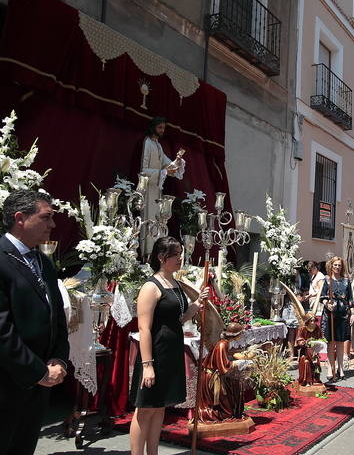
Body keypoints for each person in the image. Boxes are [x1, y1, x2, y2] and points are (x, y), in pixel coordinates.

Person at [0, 190, 69, 455]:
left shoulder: (43, 263)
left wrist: (58, 359)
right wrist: (38, 372)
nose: (52, 224)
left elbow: (56, 318)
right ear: (20, 218)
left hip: (34, 394)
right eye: (46, 217)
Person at [129, 236, 207, 455]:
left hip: (171, 353)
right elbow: (144, 328)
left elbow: (179, 319)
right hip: (155, 354)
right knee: (145, 410)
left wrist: (197, 303)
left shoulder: (174, 284)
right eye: (176, 255)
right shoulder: (150, 287)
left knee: (159, 407)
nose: (180, 259)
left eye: (181, 254)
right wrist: (147, 365)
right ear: (162, 258)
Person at [140, 117, 186, 258]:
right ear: (153, 127)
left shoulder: (158, 146)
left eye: (164, 128)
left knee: (157, 221)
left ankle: (155, 255)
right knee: (149, 220)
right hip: (147, 189)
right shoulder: (147, 143)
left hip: (157, 190)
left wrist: (178, 161)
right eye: (160, 127)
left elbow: (168, 165)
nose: (162, 130)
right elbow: (143, 170)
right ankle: (146, 254)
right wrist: (163, 172)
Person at [194, 323, 248, 422]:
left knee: (231, 395)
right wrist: (239, 363)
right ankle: (215, 414)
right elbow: (223, 366)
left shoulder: (225, 343)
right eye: (241, 333)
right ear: (236, 335)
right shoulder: (223, 344)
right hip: (211, 378)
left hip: (213, 375)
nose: (242, 335)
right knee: (227, 410)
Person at [319, 256, 354, 382]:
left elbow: (350, 298)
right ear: (331, 266)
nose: (337, 267)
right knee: (330, 342)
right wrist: (327, 304)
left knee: (340, 342)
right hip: (330, 314)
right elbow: (322, 296)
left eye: (339, 265)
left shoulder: (346, 281)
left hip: (343, 314)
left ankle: (340, 368)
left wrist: (352, 313)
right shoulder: (327, 280)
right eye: (335, 265)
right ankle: (331, 367)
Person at [294, 312, 324, 385]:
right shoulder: (302, 329)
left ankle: (315, 379)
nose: (313, 322)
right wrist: (305, 342)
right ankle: (306, 380)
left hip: (314, 350)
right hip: (305, 351)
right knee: (306, 362)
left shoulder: (317, 328)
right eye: (311, 321)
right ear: (307, 321)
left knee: (316, 362)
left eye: (314, 320)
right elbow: (299, 339)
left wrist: (319, 342)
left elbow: (321, 337)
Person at [307, 261, 326, 326]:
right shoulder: (314, 276)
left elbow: (321, 290)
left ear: (315, 268)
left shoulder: (320, 276)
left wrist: (311, 295)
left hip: (318, 303)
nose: (309, 272)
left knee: (318, 320)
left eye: (310, 270)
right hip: (313, 302)